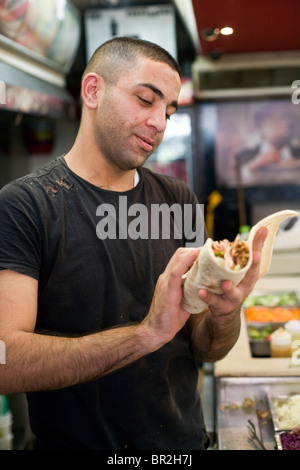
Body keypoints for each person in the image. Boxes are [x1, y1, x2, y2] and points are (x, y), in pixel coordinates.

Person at [0, 37, 267, 450]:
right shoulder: (27, 206)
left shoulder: (178, 200)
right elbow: (6, 362)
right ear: (93, 91)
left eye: (169, 110)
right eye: (146, 100)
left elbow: (208, 348)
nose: (160, 122)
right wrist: (144, 334)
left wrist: (224, 313)